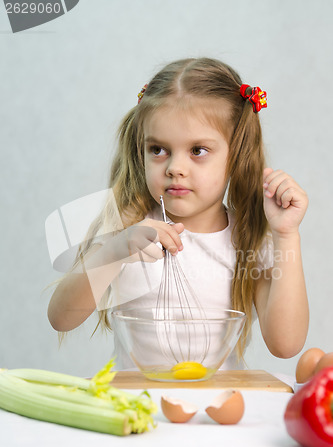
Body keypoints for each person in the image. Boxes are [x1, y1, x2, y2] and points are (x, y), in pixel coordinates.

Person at [48, 57, 309, 370]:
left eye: (198, 150)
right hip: (140, 406)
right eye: (158, 150)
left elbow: (286, 344)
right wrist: (115, 251)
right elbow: (61, 318)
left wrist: (286, 234)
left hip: (216, 410)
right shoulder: (128, 229)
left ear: (236, 156)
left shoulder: (247, 240)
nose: (174, 168)